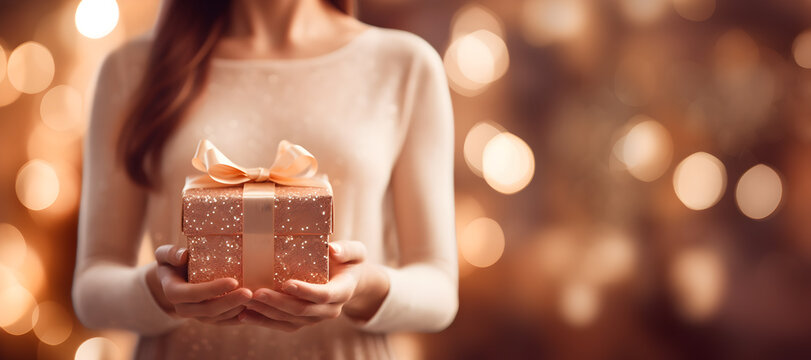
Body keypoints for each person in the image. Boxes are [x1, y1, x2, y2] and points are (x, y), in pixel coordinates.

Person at [71, 0, 458, 358]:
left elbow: (439, 290)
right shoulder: (131, 67)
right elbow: (91, 288)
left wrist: (362, 289)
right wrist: (161, 292)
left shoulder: (404, 63)